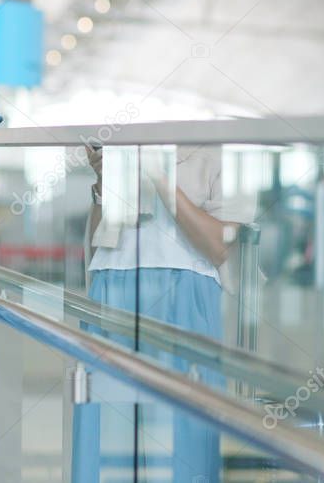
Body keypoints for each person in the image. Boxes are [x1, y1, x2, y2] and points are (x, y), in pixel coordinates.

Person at [74, 145, 256, 482]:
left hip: (183, 291)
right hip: (112, 284)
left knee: (184, 439)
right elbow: (99, 245)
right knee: (106, 439)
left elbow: (219, 244)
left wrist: (159, 175)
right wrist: (105, 180)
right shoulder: (129, 137)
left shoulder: (222, 148)